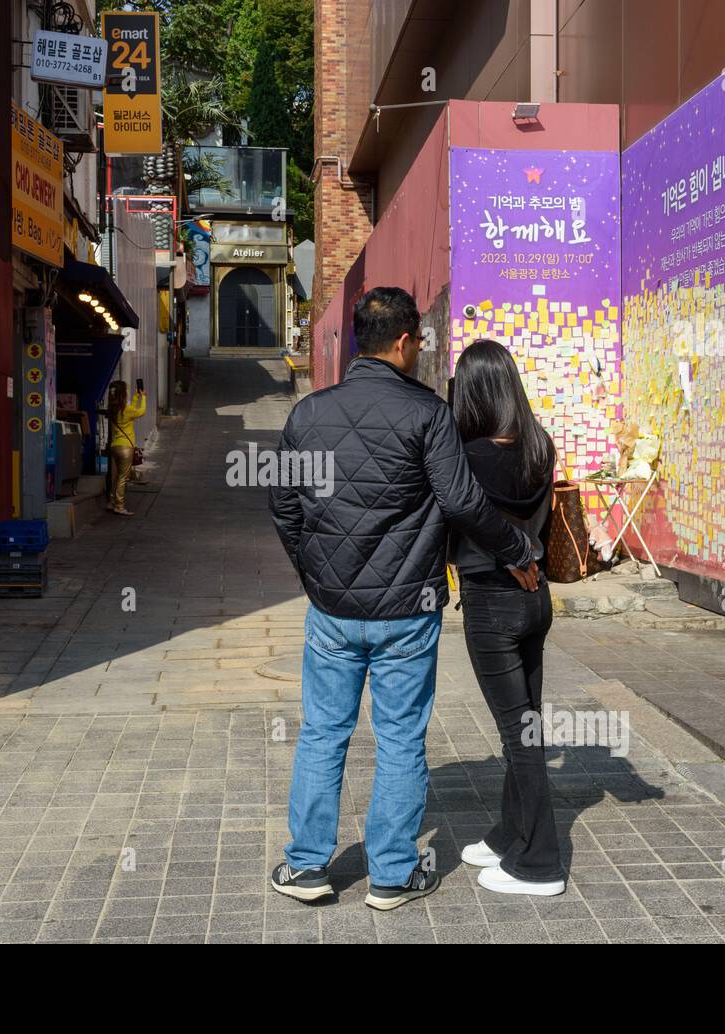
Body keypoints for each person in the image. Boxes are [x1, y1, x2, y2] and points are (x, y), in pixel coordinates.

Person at [268, 288, 539, 911]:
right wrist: (517, 551)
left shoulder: (308, 416)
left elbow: (284, 507)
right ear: (402, 342)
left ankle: (307, 867)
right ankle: (391, 875)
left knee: (322, 735)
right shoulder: (428, 415)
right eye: (417, 341)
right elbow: (463, 502)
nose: (418, 351)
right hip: (407, 613)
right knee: (399, 739)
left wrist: (312, 573)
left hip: (332, 610)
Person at [449, 339, 566, 896]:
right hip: (536, 599)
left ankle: (540, 863)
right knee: (527, 723)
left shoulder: (465, 456)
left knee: (519, 734)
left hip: (492, 602)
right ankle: (510, 834)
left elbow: (461, 520)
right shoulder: (540, 447)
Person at [106, 379, 145, 516]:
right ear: (123, 394)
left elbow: (132, 410)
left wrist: (136, 397)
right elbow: (141, 412)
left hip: (114, 446)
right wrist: (143, 397)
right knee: (123, 477)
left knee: (116, 477)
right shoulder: (126, 410)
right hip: (126, 448)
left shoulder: (112, 409)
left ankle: (112, 502)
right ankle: (120, 506)